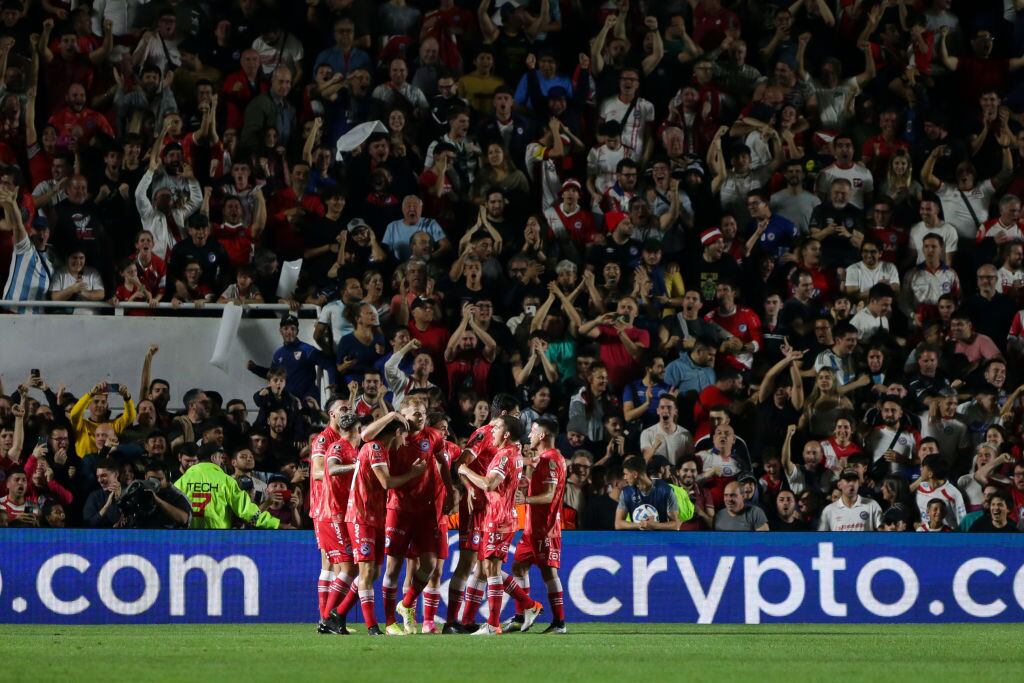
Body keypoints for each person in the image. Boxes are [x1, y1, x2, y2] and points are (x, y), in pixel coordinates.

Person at [457, 415, 543, 636]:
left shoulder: (504, 456)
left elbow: (489, 483)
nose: (491, 432)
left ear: (506, 434)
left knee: (492, 570)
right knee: (486, 567)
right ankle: (530, 605)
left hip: (499, 518)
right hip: (500, 516)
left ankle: (493, 624)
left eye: (495, 428)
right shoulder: (514, 454)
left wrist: (465, 470)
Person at [341, 414, 422, 636]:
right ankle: (372, 627)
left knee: (375, 572)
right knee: (367, 572)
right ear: (396, 432)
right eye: (403, 435)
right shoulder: (375, 447)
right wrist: (413, 474)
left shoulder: (382, 450)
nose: (405, 440)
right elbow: (386, 482)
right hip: (361, 515)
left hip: (375, 517)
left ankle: (337, 615)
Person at [504, 417, 567, 634]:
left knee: (549, 575)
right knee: (517, 567)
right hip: (532, 528)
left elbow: (549, 495)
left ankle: (559, 623)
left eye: (532, 431)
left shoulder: (551, 459)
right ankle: (522, 616)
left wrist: (526, 500)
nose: (529, 435)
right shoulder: (544, 458)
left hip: (546, 529)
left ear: (542, 435)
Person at [174, 443, 280, 530]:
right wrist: (275, 524)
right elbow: (247, 512)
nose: (222, 461)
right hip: (218, 539)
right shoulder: (226, 481)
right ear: (213, 457)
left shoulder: (181, 481)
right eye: (220, 457)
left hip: (188, 539)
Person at [614, 455, 680, 530]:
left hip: (660, 539)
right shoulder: (626, 493)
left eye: (626, 474)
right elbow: (618, 524)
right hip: (637, 539)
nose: (624, 478)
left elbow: (676, 525)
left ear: (635, 474)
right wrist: (640, 525)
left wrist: (654, 525)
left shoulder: (666, 490)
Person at [818, 469, 883, 531]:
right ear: (839, 485)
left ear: (859, 484)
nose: (851, 484)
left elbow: (884, 533)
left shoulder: (872, 505)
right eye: (848, 480)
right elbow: (821, 537)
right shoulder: (829, 510)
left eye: (854, 480)